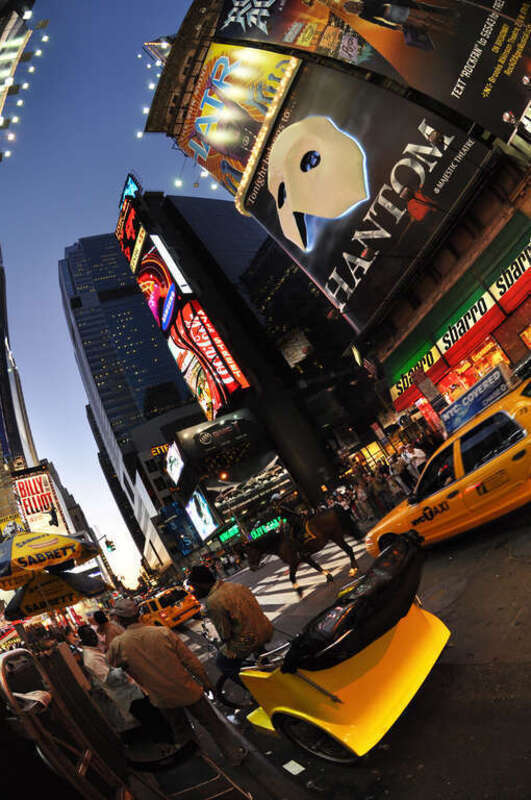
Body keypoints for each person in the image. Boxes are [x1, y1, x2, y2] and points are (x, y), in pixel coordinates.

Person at [107, 598, 246, 765]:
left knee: (182, 733)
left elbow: (113, 664)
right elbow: (191, 661)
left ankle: (202, 763)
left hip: (162, 698)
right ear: (139, 614)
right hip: (187, 689)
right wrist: (207, 683)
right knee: (213, 725)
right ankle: (234, 756)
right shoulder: (162, 632)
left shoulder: (119, 644)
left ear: (120, 620)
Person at [78, 625, 173, 744]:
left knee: (154, 717)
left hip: (132, 690)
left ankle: (168, 742)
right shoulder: (91, 658)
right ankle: (167, 745)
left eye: (93, 634)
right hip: (127, 696)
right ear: (83, 640)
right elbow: (108, 679)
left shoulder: (95, 649)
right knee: (152, 721)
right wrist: (122, 666)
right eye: (89, 636)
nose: (93, 637)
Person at [188, 565, 273, 688]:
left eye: (194, 587)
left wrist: (223, 645)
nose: (193, 591)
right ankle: (265, 665)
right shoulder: (235, 586)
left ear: (201, 585)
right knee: (255, 648)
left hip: (250, 640)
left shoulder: (213, 601)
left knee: (222, 662)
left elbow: (225, 635)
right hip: (265, 628)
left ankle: (257, 690)